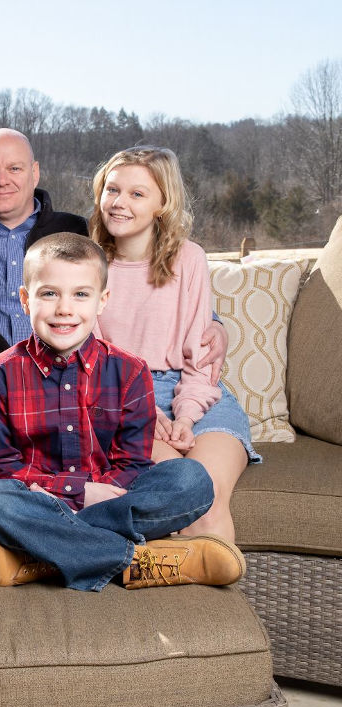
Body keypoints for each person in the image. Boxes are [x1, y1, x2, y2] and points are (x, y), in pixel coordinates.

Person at [0, 232, 246, 593]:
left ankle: (43, 557)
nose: (65, 308)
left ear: (102, 301)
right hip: (40, 501)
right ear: (25, 300)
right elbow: (0, 470)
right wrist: (78, 493)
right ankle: (131, 561)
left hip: (104, 501)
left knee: (191, 479)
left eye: (81, 294)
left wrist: (95, 497)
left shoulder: (129, 371)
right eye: (49, 294)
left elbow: (132, 464)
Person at [0, 128, 229, 400]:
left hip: (64, 383)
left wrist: (214, 324)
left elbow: (149, 278)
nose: (2, 180)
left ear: (35, 173)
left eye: (15, 169)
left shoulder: (76, 234)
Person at [91, 146, 261, 543]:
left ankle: (211, 604)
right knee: (184, 497)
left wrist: (185, 418)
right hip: (126, 402)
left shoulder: (188, 259)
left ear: (162, 204)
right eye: (112, 190)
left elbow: (201, 358)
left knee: (211, 498)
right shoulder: (89, 264)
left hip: (198, 395)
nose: (119, 203)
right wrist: (144, 413)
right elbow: (95, 365)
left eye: (137, 194)